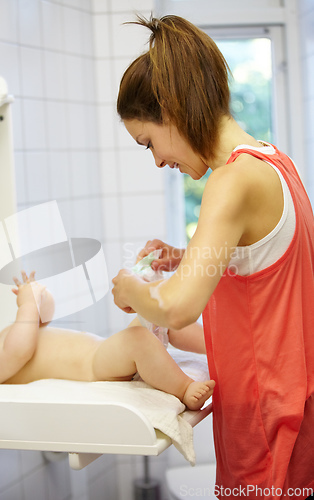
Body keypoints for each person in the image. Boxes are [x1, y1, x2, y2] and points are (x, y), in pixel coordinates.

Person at [111, 14, 314, 500]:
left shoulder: (232, 180)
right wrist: (183, 258)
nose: (158, 160)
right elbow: (261, 276)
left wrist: (131, 289)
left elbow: (179, 308)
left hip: (265, 428)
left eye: (149, 143)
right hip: (287, 413)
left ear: (175, 110)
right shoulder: (273, 163)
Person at [0, 271, 214, 411]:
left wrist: (40, 298)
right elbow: (21, 349)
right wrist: (26, 307)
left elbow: (44, 320)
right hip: (96, 366)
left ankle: (216, 347)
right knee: (138, 338)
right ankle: (184, 388)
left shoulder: (1, 338)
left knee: (158, 316)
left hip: (103, 348)